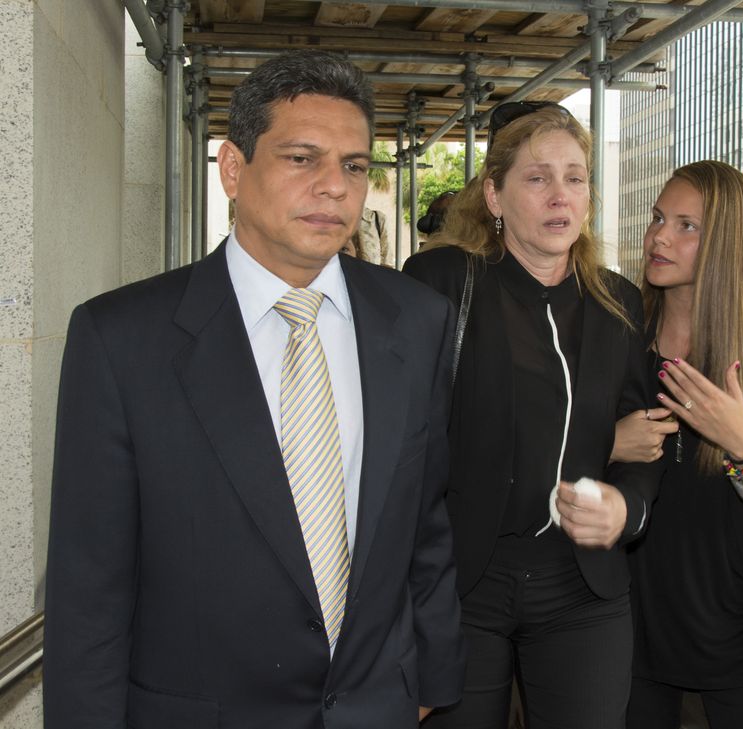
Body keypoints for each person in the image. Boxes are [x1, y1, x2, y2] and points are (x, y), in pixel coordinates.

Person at [43, 50, 465, 729]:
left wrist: (430, 678)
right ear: (233, 169)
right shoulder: (121, 339)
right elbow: (89, 584)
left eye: (354, 165)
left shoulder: (417, 321)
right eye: (302, 158)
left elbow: (425, 521)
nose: (335, 187)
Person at [403, 101, 661, 729]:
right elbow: (406, 429)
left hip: (583, 586)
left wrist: (628, 510)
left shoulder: (619, 302)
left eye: (575, 178)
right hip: (465, 581)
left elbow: (649, 440)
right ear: (494, 195)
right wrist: (605, 442)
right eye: (537, 177)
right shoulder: (440, 282)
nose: (559, 195)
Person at [612, 160, 743, 729]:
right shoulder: (618, 333)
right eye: (658, 218)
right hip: (632, 631)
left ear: (728, 243)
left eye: (686, 225)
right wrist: (609, 445)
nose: (658, 236)